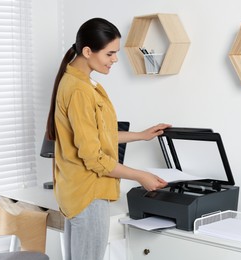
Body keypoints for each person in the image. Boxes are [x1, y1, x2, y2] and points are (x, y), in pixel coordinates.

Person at [46, 17, 170, 260]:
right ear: (87, 51)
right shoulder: (80, 90)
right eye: (110, 53)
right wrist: (140, 176)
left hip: (77, 192)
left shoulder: (79, 82)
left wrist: (141, 135)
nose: (115, 59)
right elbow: (93, 158)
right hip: (88, 194)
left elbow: (97, 135)